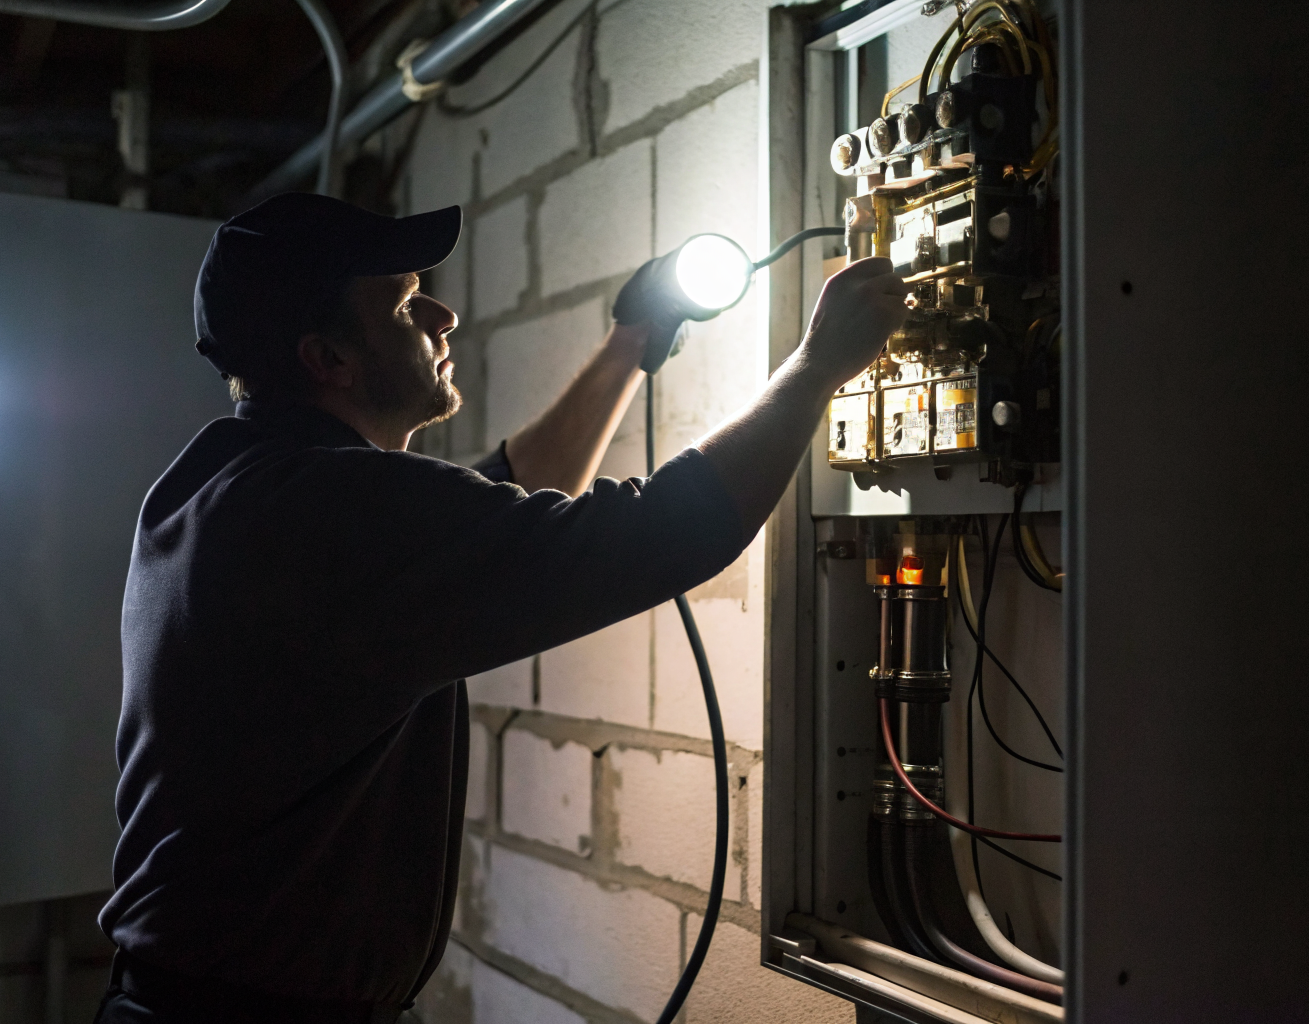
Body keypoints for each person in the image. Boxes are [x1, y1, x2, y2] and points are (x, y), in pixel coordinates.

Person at [94, 193, 907, 1023]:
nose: (445, 316)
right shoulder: (332, 512)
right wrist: (814, 368)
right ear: (328, 358)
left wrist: (633, 342)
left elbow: (502, 502)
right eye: (408, 304)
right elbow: (656, 535)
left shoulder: (232, 482)